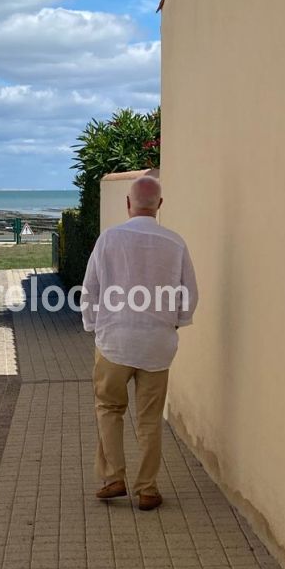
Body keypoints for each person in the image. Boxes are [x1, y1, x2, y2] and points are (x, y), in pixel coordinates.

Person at [81, 175, 198, 510]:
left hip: (114, 342)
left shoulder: (109, 239)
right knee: (149, 418)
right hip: (157, 345)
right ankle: (147, 489)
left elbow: (90, 289)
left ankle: (113, 477)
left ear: (128, 204)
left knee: (109, 408)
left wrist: (94, 326)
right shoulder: (175, 243)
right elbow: (190, 292)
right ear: (159, 206)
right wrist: (176, 321)